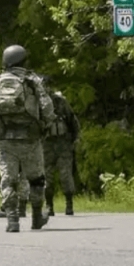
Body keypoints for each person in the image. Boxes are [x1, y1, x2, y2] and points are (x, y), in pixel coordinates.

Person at [0, 45, 55, 232]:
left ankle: (12, 220)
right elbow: (47, 106)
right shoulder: (32, 80)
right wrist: (45, 124)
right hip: (30, 137)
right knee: (36, 179)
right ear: (24, 61)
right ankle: (37, 218)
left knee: (8, 179)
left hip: (4, 139)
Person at [41, 76, 80, 216]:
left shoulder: (61, 102)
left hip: (63, 143)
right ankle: (49, 206)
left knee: (66, 175)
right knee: (47, 177)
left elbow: (72, 120)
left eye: (47, 86)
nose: (45, 89)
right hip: (46, 144)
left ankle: (69, 204)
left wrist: (76, 138)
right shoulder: (37, 105)